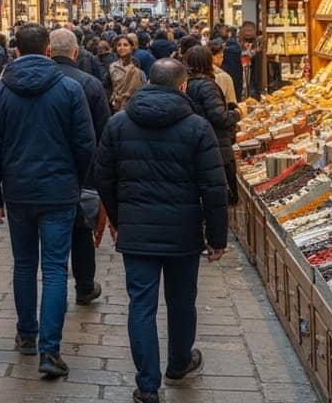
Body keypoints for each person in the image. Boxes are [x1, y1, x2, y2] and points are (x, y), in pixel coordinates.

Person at [93, 59, 229, 403]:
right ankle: (179, 362)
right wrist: (217, 238)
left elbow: (103, 177)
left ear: (147, 83)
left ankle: (148, 385)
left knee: (141, 304)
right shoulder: (197, 128)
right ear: (182, 87)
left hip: (137, 230)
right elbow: (214, 188)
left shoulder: (120, 123)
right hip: (183, 232)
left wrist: (119, 219)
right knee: (182, 301)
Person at [0, 23, 95, 380]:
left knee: (24, 264)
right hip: (59, 191)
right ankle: (50, 349)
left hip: (18, 190)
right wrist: (76, 180)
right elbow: (85, 144)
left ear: (15, 51)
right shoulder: (69, 88)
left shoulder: (1, 91)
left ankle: (27, 333)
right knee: (57, 268)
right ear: (48, 49)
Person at [49, 29, 110, 306]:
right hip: (81, 173)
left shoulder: (37, 81)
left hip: (42, 172)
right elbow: (103, 133)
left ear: (49, 52)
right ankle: (84, 284)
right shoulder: (90, 84)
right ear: (76, 52)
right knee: (81, 229)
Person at [184, 45, 241, 206]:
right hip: (216, 144)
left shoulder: (187, 83)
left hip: (200, 142)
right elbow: (219, 117)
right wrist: (237, 114)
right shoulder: (207, 85)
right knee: (219, 195)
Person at [109, 35, 146, 111]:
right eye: (119, 45)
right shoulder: (112, 67)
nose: (122, 48)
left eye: (125, 45)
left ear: (132, 47)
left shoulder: (137, 67)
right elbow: (108, 87)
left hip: (134, 107)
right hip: (116, 107)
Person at [208, 40, 238, 105]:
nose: (222, 58)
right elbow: (232, 103)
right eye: (221, 56)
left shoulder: (194, 75)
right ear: (213, 57)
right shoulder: (224, 77)